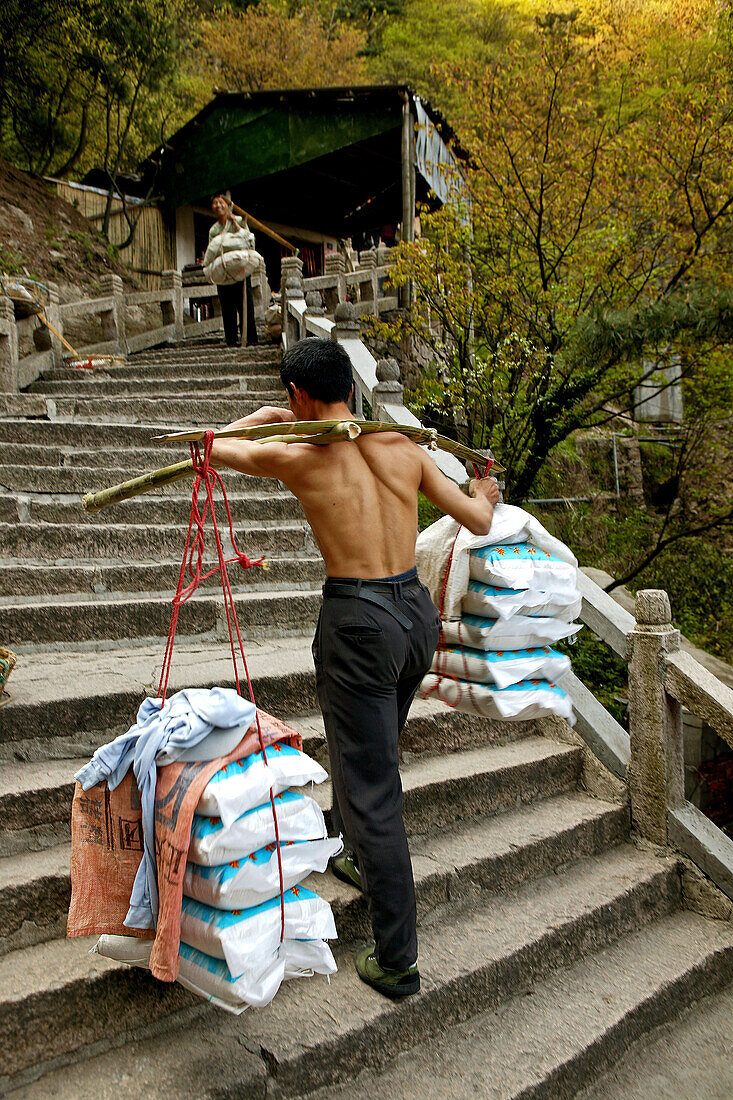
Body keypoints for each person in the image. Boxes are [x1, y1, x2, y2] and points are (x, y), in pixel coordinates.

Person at [211, 338, 500, 999]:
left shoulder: (301, 460)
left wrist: (263, 417)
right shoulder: (405, 448)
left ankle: (396, 958)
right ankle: (349, 853)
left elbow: (207, 446)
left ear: (298, 396)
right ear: (352, 386)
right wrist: (481, 488)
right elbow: (478, 518)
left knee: (373, 790)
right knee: (369, 752)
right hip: (413, 619)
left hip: (359, 622)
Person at [208, 195, 258, 348]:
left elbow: (249, 240)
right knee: (227, 306)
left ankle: (250, 338)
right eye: (215, 203)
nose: (218, 205)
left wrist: (235, 222)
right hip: (224, 271)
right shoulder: (214, 230)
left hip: (241, 269)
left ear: (227, 205)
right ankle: (231, 340)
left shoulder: (239, 221)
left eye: (221, 202)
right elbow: (213, 250)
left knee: (245, 305)